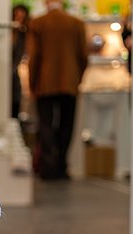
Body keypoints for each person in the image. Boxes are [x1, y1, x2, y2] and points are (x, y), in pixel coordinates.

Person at [27, 0, 89, 180]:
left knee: (46, 124)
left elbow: (34, 57)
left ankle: (48, 167)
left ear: (46, 2)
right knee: (66, 125)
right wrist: (77, 78)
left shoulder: (38, 23)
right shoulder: (76, 23)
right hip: (70, 83)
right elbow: (83, 56)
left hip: (45, 83)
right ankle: (62, 166)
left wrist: (32, 84)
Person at [11, 4, 29, 120]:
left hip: (16, 74)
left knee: (15, 102)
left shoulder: (25, 35)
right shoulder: (9, 34)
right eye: (16, 15)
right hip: (6, 73)